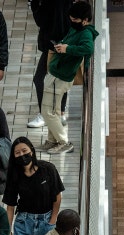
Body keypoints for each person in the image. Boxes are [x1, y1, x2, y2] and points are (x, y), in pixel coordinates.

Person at [37, 1, 99, 154]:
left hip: (60, 76)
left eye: (75, 20)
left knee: (47, 111)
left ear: (85, 19)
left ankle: (64, 142)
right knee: (54, 111)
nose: (72, 22)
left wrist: (67, 48)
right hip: (58, 74)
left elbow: (88, 48)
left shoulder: (85, 33)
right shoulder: (77, 29)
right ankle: (52, 140)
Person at [3, 137, 65, 235]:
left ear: (32, 150)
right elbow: (10, 206)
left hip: (46, 222)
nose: (22, 155)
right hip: (23, 224)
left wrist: (52, 221)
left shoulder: (47, 169)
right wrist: (7, 232)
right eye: (17, 153)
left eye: (24, 151)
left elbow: (57, 197)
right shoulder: (14, 175)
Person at [27, 0, 73, 128]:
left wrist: (35, 4)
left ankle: (45, 114)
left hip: (54, 44)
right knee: (61, 77)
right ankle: (60, 113)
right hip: (63, 42)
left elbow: (41, 20)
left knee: (39, 78)